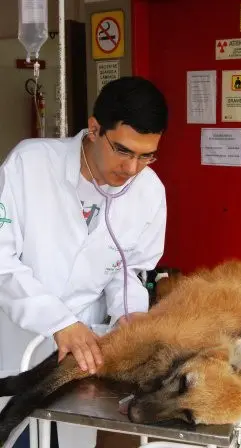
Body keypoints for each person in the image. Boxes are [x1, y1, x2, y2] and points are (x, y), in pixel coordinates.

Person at [0, 76, 168, 447]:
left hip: (84, 350)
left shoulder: (150, 192)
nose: (132, 169)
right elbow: (2, 260)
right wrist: (59, 321)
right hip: (19, 336)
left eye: (146, 155)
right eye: (123, 151)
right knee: (18, 432)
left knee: (67, 436)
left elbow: (128, 272)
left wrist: (131, 314)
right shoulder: (30, 164)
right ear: (94, 129)